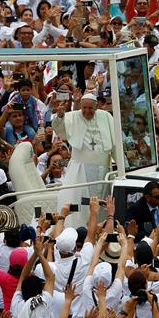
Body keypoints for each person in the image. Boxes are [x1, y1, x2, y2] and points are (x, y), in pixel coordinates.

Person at [52, 93, 116, 227]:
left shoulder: (106, 117)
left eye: (90, 108)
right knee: (81, 205)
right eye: (84, 108)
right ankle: (81, 230)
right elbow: (60, 131)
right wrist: (60, 116)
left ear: (96, 106)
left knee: (102, 204)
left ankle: (99, 229)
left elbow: (114, 142)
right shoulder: (74, 116)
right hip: (81, 171)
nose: (87, 111)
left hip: (104, 170)